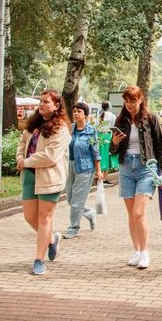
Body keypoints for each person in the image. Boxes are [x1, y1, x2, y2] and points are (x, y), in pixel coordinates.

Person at [110, 86, 162, 270]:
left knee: (138, 213)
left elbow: (160, 147)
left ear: (141, 99)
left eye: (132, 101)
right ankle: (136, 250)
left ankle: (145, 252)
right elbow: (112, 151)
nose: (129, 105)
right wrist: (114, 143)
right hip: (126, 168)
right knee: (131, 215)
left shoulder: (151, 119)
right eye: (126, 101)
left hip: (146, 169)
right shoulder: (121, 120)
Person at [16, 89, 71, 275]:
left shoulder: (61, 129)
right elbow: (23, 143)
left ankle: (39, 260)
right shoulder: (34, 124)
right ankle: (51, 239)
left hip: (49, 178)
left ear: (56, 106)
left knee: (44, 217)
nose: (42, 105)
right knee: (30, 217)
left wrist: (27, 161)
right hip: (30, 176)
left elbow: (50, 156)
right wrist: (19, 159)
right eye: (41, 101)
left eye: (46, 102)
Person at [62, 102, 102, 239]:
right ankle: (89, 213)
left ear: (86, 114)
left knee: (77, 200)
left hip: (85, 167)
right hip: (70, 166)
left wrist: (99, 170)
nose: (76, 114)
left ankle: (74, 227)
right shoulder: (70, 129)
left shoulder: (91, 131)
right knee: (70, 198)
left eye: (79, 111)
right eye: (74, 111)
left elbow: (95, 151)